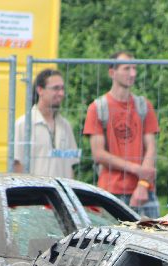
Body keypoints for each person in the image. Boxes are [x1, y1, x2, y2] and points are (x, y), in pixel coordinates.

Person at [83, 51, 160, 218]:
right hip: (110, 191)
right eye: (126, 69)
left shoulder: (143, 105)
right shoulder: (97, 108)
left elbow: (151, 148)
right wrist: (136, 169)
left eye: (134, 68)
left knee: (156, 241)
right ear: (112, 72)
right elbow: (98, 154)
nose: (132, 73)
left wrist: (142, 184)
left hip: (144, 192)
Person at [13, 69, 80, 177]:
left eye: (62, 88)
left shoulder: (65, 126)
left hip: (60, 192)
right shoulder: (23, 125)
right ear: (40, 90)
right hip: (34, 192)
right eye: (56, 88)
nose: (61, 93)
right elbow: (17, 165)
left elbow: (70, 165)